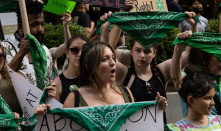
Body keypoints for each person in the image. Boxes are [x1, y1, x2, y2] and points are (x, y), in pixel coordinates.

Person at [36, 41, 167, 111]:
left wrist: (156, 109)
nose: (112, 63)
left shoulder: (126, 93)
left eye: (113, 58)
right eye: (105, 59)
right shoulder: (74, 99)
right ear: (89, 66)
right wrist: (44, 115)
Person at [2, 0, 68, 86]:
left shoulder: (44, 50)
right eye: (34, 24)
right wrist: (21, 53)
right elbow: (4, 78)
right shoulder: (5, 48)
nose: (40, 29)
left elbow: (49, 80)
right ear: (21, 27)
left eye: (42, 24)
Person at [52, 34, 89, 104]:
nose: (80, 54)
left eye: (85, 50)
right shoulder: (57, 84)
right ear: (67, 54)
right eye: (75, 50)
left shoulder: (94, 78)